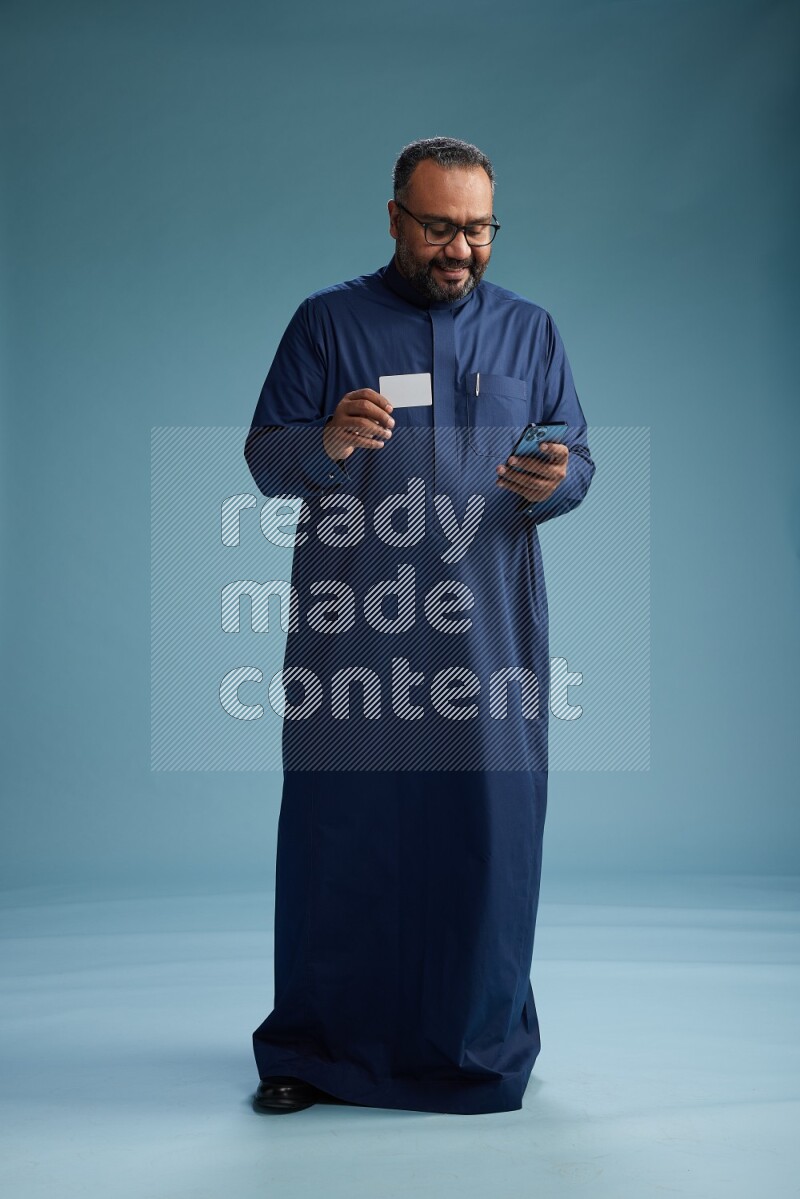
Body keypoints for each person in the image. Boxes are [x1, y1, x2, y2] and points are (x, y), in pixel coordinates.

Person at [244, 136, 594, 1115]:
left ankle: (472, 1047)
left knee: (484, 836)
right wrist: (323, 439)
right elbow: (265, 454)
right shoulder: (327, 324)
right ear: (394, 216)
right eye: (438, 226)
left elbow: (579, 457)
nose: (459, 248)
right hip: (352, 634)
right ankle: (311, 1050)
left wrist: (557, 479)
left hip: (484, 645)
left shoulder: (530, 332)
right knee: (339, 835)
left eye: (477, 229)